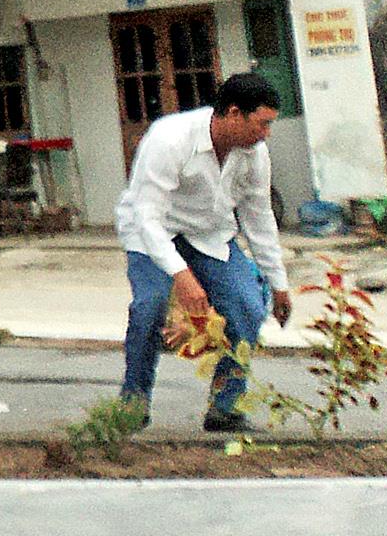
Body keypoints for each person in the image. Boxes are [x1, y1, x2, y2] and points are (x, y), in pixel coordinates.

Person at [115, 71, 295, 432]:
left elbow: (258, 218)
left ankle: (224, 407)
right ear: (232, 113)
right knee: (149, 308)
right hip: (152, 233)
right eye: (261, 124)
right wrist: (181, 276)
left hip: (210, 235)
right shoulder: (169, 138)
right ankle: (132, 404)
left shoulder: (254, 153)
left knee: (246, 304)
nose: (266, 134)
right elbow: (147, 215)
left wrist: (278, 283)